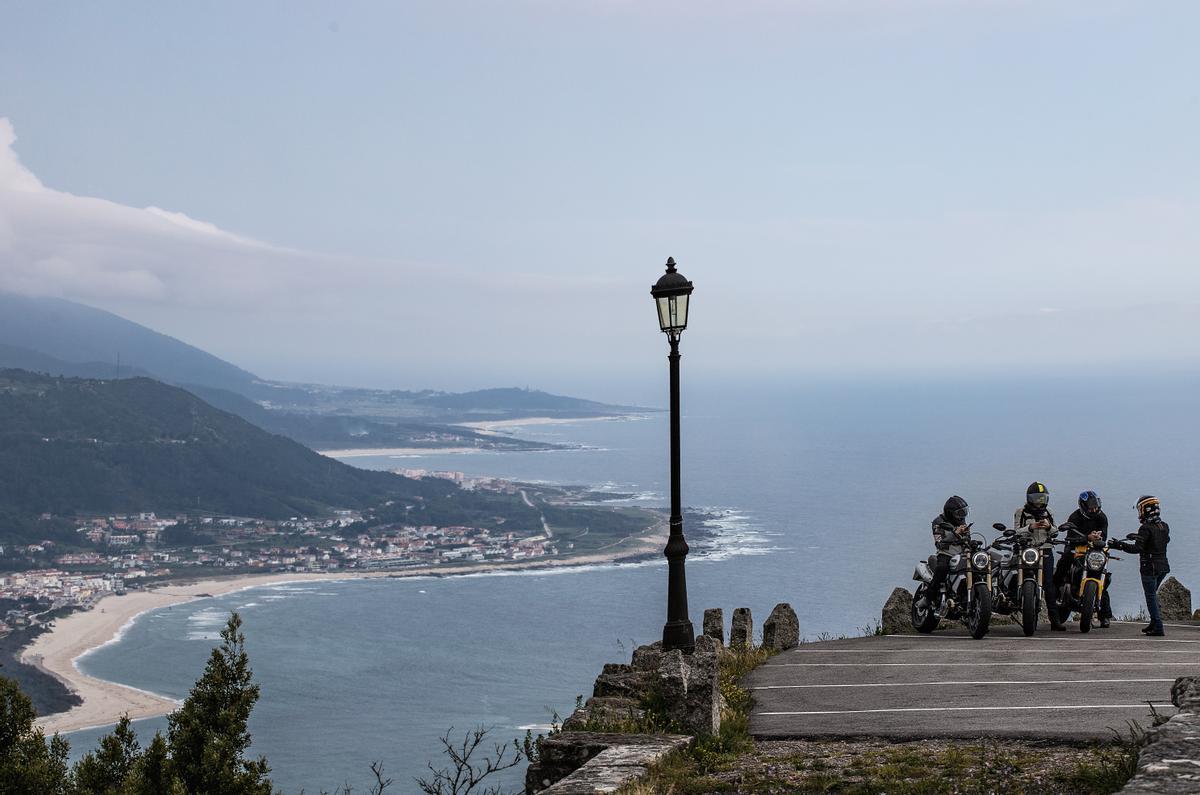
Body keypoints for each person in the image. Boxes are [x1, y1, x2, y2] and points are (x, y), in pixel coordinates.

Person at [1111, 495, 1171, 637]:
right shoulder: (1164, 526)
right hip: (1163, 566)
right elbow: (1165, 540)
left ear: (1145, 510)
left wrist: (1119, 545)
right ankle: (1154, 622)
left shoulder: (1145, 528)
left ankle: (1158, 626)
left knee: (1150, 596)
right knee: (1153, 595)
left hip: (1149, 567)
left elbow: (1137, 548)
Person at [1054, 490, 1112, 628]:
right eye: (1091, 507)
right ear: (1083, 506)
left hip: (1094, 551)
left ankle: (1105, 615)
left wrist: (1099, 537)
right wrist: (1087, 538)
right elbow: (1070, 538)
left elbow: (1104, 536)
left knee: (1103, 577)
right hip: (1076, 549)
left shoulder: (1102, 517)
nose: (1094, 509)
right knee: (1060, 569)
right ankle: (1055, 597)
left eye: (1096, 506)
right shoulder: (1075, 517)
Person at [1015, 481, 1065, 631]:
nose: (1039, 501)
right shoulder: (1021, 512)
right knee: (1023, 579)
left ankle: (1055, 620)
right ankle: (1022, 608)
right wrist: (1030, 527)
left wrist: (1048, 527)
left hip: (1045, 550)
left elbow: (1056, 531)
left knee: (1049, 585)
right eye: (1036, 498)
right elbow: (1016, 530)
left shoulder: (1048, 512)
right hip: (1027, 550)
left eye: (1042, 498)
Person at [929, 495, 971, 605]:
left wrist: (969, 541)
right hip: (946, 553)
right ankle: (928, 597)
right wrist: (955, 534)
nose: (962, 516)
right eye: (959, 513)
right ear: (950, 513)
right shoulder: (938, 522)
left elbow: (967, 541)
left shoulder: (962, 522)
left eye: (963, 512)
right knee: (942, 568)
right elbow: (939, 544)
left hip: (961, 554)